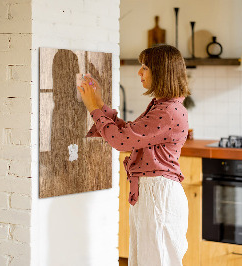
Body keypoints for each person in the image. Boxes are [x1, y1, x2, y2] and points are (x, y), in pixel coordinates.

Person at [77, 44, 190, 266]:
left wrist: (93, 108)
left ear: (161, 72)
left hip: (158, 195)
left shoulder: (167, 111)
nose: (139, 72)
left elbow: (121, 141)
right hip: (152, 193)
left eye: (145, 67)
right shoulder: (163, 106)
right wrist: (99, 103)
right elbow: (129, 134)